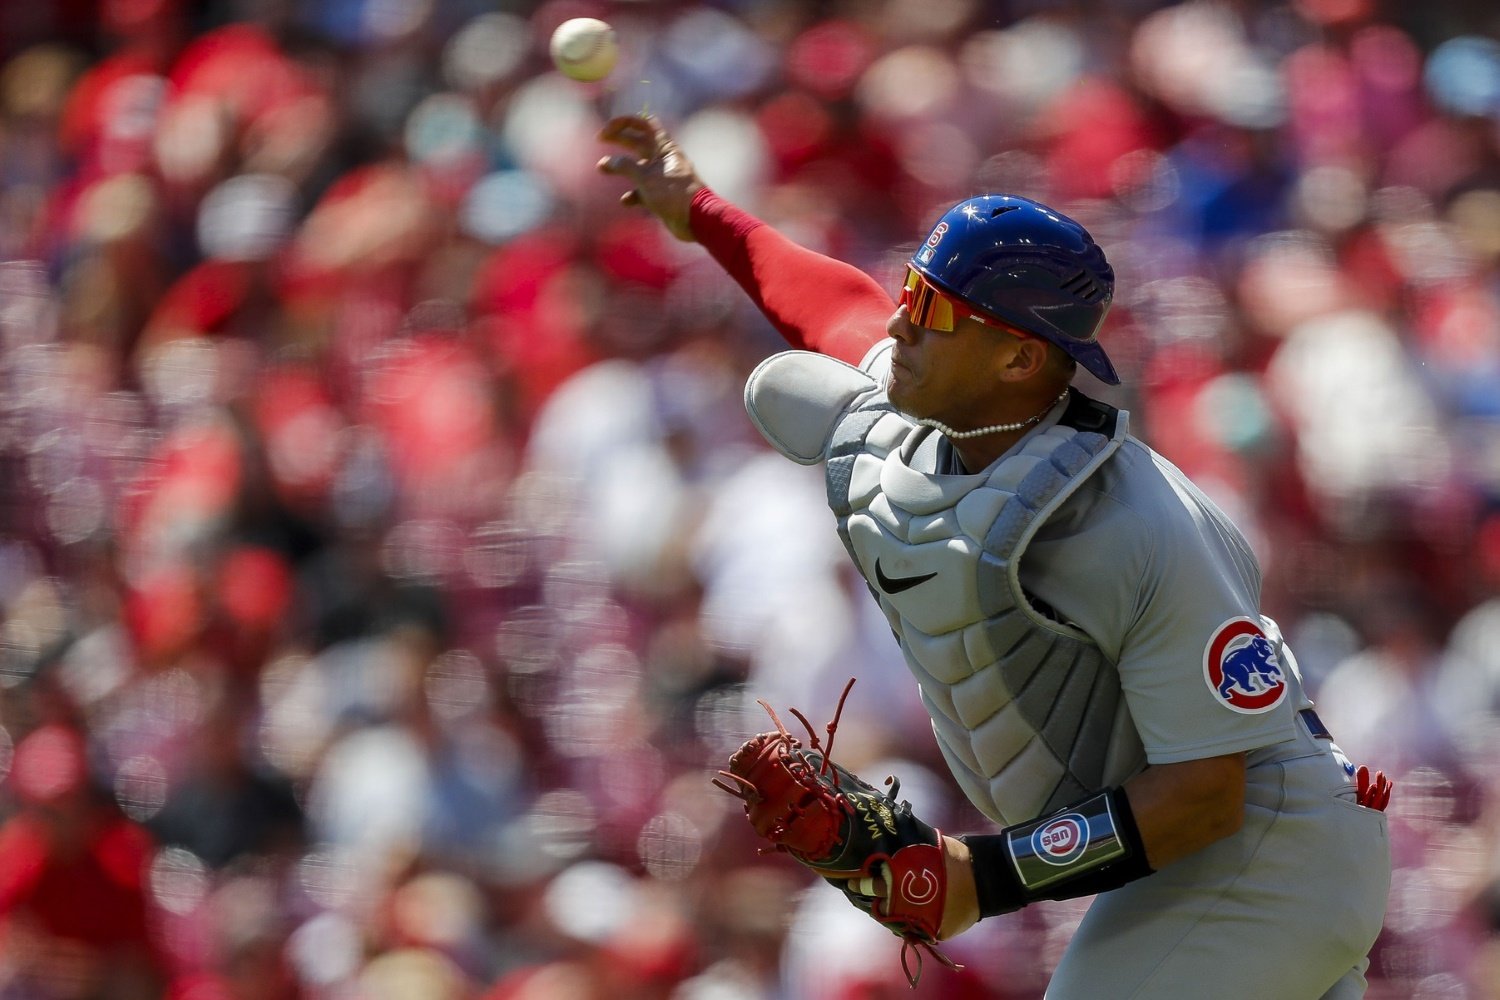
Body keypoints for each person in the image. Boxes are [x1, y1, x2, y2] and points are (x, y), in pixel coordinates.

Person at [596, 114, 1392, 998]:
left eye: (933, 307)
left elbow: (1209, 791)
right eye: (911, 288)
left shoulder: (1137, 521)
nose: (901, 321)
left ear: (1018, 357)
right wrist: (699, 209)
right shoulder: (924, 411)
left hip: (1267, 848)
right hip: (1200, 861)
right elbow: (824, 303)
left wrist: (981, 877)